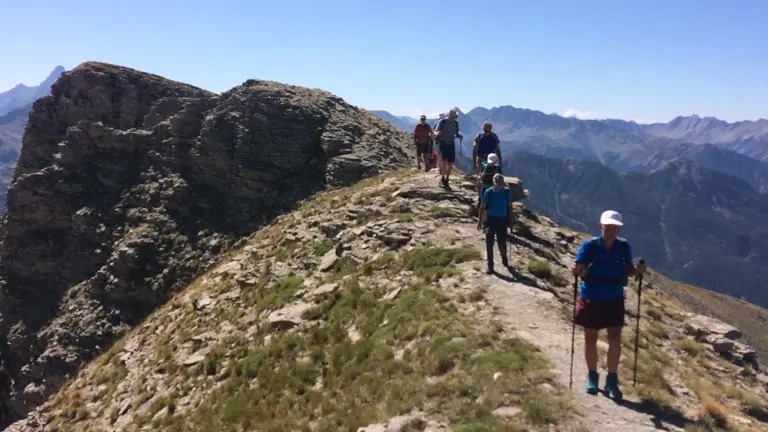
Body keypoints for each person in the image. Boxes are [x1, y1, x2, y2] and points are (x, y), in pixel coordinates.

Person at [570, 210, 646, 400]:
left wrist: (638, 271)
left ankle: (611, 380)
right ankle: (593, 377)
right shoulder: (589, 245)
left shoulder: (623, 246)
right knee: (590, 338)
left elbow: (628, 270)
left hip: (613, 297)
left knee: (615, 338)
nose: (610, 229)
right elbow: (578, 266)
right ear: (601, 226)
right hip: (592, 296)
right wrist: (576, 270)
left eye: (614, 226)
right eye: (608, 226)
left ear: (618, 229)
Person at [478, 173, 512, 274]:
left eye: (500, 185)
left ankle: (504, 257)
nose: (498, 187)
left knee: (502, 242)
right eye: (497, 184)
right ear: (494, 183)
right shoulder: (488, 192)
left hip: (502, 220)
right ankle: (490, 266)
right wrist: (480, 221)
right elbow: (482, 207)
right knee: (489, 243)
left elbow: (510, 206)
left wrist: (511, 220)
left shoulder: (507, 192)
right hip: (490, 220)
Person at [434, 109, 463, 188]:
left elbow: (456, 133)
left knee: (450, 163)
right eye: (452, 116)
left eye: (454, 116)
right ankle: (443, 178)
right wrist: (436, 134)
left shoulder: (455, 123)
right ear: (449, 115)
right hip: (443, 143)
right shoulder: (442, 122)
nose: (453, 118)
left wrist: (459, 136)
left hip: (451, 143)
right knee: (445, 162)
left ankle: (446, 179)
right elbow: (437, 132)